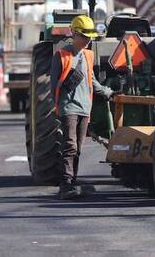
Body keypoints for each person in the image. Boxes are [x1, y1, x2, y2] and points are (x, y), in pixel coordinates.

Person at [51, 15, 117, 200]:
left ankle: (72, 181)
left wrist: (107, 92)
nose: (88, 40)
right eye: (85, 36)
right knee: (70, 146)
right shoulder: (62, 56)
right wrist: (59, 107)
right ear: (74, 34)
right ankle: (66, 185)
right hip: (68, 108)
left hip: (84, 108)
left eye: (90, 36)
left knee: (78, 148)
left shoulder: (88, 55)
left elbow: (92, 80)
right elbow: (53, 86)